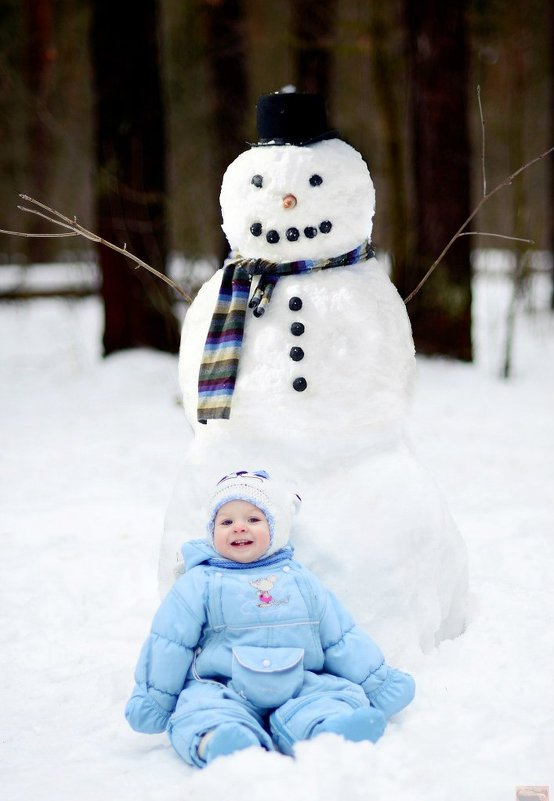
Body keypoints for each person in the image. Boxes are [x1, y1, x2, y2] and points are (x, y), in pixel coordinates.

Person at [125, 470, 415, 767]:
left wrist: (379, 684)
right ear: (211, 532)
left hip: (299, 680)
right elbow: (170, 641)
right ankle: (218, 742)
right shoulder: (199, 581)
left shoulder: (301, 580)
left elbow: (339, 635)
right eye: (226, 522)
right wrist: (155, 701)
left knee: (326, 699)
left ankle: (329, 731)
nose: (239, 528)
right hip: (223, 684)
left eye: (253, 519)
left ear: (275, 528)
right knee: (202, 710)